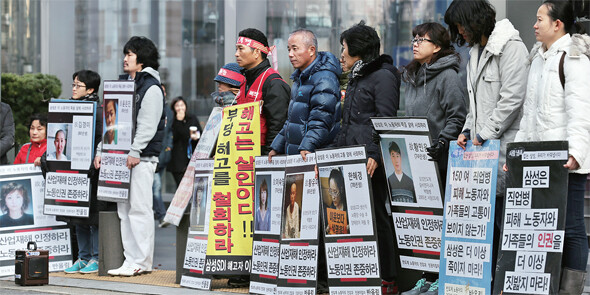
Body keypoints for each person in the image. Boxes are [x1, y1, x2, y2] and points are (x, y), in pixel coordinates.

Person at [445, 0, 528, 283]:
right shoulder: (475, 51)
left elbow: (512, 100)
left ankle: (504, 285)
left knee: (506, 224)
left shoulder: (511, 48)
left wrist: (484, 133)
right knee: (485, 227)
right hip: (481, 154)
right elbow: (475, 104)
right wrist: (468, 131)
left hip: (503, 150)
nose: (460, 31)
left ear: (475, 20)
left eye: (462, 25)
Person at [514, 1, 590, 293]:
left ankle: (571, 289)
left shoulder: (575, 59)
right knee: (544, 228)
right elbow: (528, 115)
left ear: (558, 24)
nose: (534, 25)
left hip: (566, 161)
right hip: (538, 160)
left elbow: (581, 112)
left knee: (571, 229)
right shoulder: (538, 59)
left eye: (540, 19)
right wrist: (516, 155)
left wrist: (575, 154)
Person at [334, 21, 401, 295]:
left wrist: (375, 152)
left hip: (371, 161)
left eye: (345, 49)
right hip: (351, 157)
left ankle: (389, 278)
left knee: (377, 216)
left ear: (359, 51)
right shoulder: (358, 76)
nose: (341, 55)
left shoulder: (383, 75)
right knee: (353, 218)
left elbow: (385, 119)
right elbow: (348, 123)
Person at [401, 22, 467, 295]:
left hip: (438, 163)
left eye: (422, 39)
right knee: (423, 224)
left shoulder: (448, 76)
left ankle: (441, 278)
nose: (415, 43)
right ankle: (426, 278)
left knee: (440, 223)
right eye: (414, 38)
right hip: (415, 163)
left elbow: (457, 115)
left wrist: (443, 141)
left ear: (437, 47)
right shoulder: (412, 75)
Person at [95, 36, 165, 277]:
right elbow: (113, 124)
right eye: (125, 54)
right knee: (124, 210)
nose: (125, 59)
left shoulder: (151, 87)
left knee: (139, 209)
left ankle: (142, 260)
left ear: (142, 58)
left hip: (141, 158)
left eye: (130, 54)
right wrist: (101, 150)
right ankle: (130, 259)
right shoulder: (128, 85)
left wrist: (135, 150)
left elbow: (148, 124)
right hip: (122, 157)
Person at [268, 29, 341, 160]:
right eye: (289, 49)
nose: (290, 54)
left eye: (295, 49)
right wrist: (277, 146)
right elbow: (292, 120)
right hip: (299, 155)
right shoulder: (300, 78)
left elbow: (321, 119)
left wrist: (308, 146)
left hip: (313, 156)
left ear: (312, 50)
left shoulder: (324, 78)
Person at [61, 70, 107, 274]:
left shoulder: (99, 111)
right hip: (74, 170)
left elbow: (101, 140)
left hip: (93, 171)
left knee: (93, 216)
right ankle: (83, 257)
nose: (73, 88)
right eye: (73, 84)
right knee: (77, 215)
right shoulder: (70, 108)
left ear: (90, 89)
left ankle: (96, 258)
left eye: (77, 85)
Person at [235, 28, 290, 154]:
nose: (236, 54)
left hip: (261, 157)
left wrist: (265, 162)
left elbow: (278, 127)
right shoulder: (245, 81)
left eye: (241, 48)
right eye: (236, 49)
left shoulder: (273, 83)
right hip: (242, 157)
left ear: (256, 53)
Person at [167, 96, 202, 187]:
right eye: (177, 106)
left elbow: (200, 134)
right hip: (177, 160)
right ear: (173, 108)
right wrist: (179, 121)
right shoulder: (172, 120)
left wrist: (196, 137)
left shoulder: (192, 118)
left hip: (191, 158)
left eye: (182, 105)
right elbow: (173, 137)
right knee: (181, 187)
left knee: (193, 187)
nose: (180, 108)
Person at [153, 84, 173, 228]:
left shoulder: (168, 112)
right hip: (151, 154)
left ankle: (161, 215)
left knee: (156, 186)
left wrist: (167, 150)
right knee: (156, 186)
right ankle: (161, 215)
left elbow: (168, 134)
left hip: (161, 156)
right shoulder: (151, 108)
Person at [323, 168, 349, 235]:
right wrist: (326, 231)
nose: (333, 197)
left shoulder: (349, 210)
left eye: (335, 192)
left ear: (341, 190)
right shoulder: (329, 211)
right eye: (331, 191)